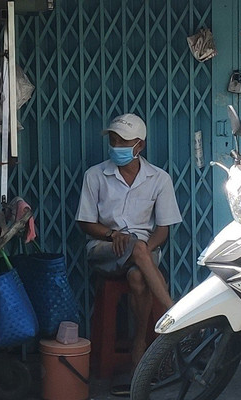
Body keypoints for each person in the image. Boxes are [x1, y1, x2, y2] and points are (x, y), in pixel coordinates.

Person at [75, 113, 182, 386]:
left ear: (139, 146)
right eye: (113, 140)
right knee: (137, 249)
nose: (116, 146)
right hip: (104, 249)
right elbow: (85, 222)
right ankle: (176, 317)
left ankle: (138, 347)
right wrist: (112, 234)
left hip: (144, 251)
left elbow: (163, 230)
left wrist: (143, 247)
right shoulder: (95, 175)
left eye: (123, 142)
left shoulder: (159, 179)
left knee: (137, 275)